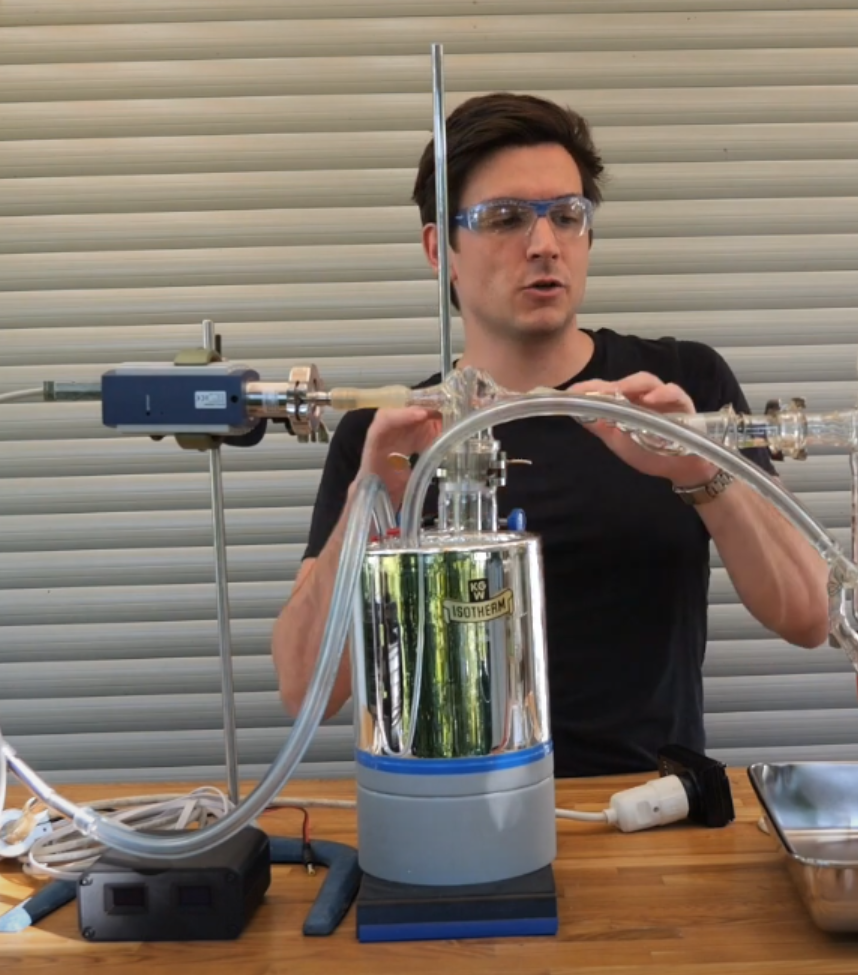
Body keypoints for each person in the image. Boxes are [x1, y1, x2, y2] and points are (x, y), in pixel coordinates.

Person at [272, 93, 829, 777]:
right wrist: (373, 494)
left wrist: (697, 469)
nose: (544, 244)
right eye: (505, 218)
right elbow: (304, 689)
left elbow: (809, 614)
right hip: (453, 813)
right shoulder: (388, 433)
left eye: (566, 216)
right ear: (436, 247)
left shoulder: (679, 386)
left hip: (649, 811)